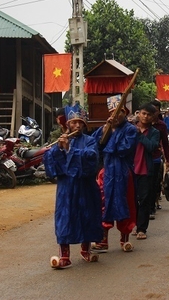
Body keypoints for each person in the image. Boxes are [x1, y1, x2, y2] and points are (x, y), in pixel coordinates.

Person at [45, 104, 103, 269]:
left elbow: (91, 158)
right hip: (66, 187)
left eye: (80, 123)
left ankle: (86, 250)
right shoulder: (61, 139)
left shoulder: (90, 140)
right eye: (73, 122)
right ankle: (64, 255)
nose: (77, 126)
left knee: (87, 215)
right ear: (67, 124)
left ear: (84, 124)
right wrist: (59, 149)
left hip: (85, 185)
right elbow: (51, 161)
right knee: (65, 218)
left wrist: (70, 149)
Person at [91, 96, 138, 253]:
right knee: (103, 204)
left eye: (119, 113)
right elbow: (94, 146)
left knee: (125, 203)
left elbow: (124, 149)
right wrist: (105, 132)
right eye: (112, 113)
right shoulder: (105, 128)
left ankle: (124, 238)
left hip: (123, 172)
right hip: (106, 172)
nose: (115, 116)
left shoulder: (131, 130)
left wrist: (109, 137)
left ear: (124, 113)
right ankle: (102, 239)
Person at [133, 103, 160, 240]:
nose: (145, 116)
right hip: (131, 169)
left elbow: (152, 147)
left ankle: (142, 228)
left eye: (149, 115)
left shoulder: (155, 132)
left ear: (152, 117)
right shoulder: (130, 129)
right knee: (132, 199)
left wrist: (140, 136)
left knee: (144, 200)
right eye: (143, 113)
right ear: (138, 113)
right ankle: (134, 224)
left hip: (145, 169)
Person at [149, 100, 169, 218]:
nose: (151, 113)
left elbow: (165, 144)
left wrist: (168, 159)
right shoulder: (140, 124)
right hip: (142, 159)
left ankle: (152, 206)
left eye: (155, 111)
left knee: (155, 183)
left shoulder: (162, 125)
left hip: (156, 157)